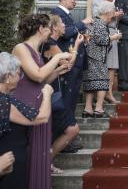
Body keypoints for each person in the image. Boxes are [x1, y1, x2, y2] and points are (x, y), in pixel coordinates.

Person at [12, 14, 71, 189]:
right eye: (48, 28)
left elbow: (42, 80)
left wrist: (58, 70)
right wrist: (56, 59)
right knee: (28, 152)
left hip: (39, 103)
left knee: (40, 151)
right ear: (40, 29)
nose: (50, 31)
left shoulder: (36, 51)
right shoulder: (21, 48)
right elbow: (37, 75)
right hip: (25, 105)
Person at [0, 52, 53, 188]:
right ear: (7, 77)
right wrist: (46, 94)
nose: (20, 78)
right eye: (18, 74)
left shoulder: (7, 99)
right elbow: (42, 117)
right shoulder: (4, 102)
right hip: (8, 162)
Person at [51, 0, 92, 153]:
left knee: (71, 102)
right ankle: (62, 139)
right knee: (66, 103)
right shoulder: (57, 14)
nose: (76, 2)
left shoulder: (66, 15)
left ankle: (68, 139)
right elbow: (64, 33)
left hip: (75, 64)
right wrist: (82, 23)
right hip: (67, 66)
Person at [40, 14, 83, 171]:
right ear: (55, 27)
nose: (65, 26)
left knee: (56, 129)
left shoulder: (50, 43)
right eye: (62, 24)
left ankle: (45, 161)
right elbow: (69, 63)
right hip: (51, 92)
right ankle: (45, 161)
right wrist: (77, 45)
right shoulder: (51, 44)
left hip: (53, 90)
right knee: (71, 129)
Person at [82, 1, 122, 118]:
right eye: (113, 13)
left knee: (91, 83)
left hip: (90, 57)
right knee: (102, 82)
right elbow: (101, 40)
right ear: (108, 12)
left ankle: (88, 109)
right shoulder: (100, 23)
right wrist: (114, 37)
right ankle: (99, 109)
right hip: (97, 58)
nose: (113, 16)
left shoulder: (94, 22)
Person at [92, 0, 122, 103]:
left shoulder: (112, 3)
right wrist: (114, 14)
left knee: (112, 66)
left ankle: (108, 93)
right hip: (103, 33)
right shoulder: (97, 2)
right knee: (102, 65)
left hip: (113, 32)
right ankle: (98, 94)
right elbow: (96, 17)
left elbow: (112, 21)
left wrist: (117, 17)